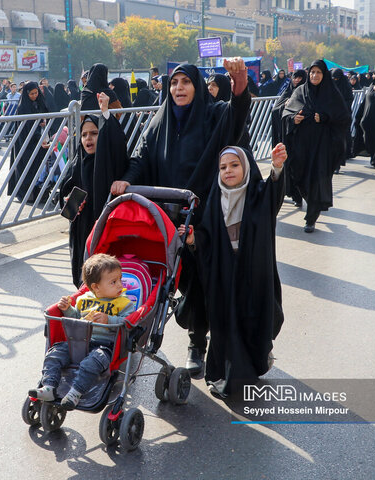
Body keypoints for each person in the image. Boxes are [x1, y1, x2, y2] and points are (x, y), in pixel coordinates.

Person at [110, 59, 252, 374]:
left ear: (197, 86)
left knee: (200, 281)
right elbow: (141, 157)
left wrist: (239, 80)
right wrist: (125, 180)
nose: (178, 88)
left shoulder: (212, 115)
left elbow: (237, 113)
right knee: (166, 280)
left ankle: (196, 343)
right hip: (164, 217)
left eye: (185, 82)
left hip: (202, 216)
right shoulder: (158, 122)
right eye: (174, 83)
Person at [179, 144, 287, 397]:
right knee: (225, 319)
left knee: (252, 315)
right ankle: (224, 373)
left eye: (235, 165)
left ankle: (257, 361)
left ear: (246, 167)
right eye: (223, 167)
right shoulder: (213, 198)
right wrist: (194, 240)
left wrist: (278, 167)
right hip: (224, 271)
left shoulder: (258, 193)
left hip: (253, 269)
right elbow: (206, 235)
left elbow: (274, 194)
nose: (228, 171)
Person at [29, 253, 135, 409]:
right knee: (54, 353)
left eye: (120, 279)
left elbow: (128, 323)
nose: (120, 285)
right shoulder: (83, 300)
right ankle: (49, 386)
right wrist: (67, 309)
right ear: (96, 287)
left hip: (105, 346)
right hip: (78, 342)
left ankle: (75, 393)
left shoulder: (124, 303)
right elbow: (76, 318)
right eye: (114, 282)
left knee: (91, 363)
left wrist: (110, 320)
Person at [60, 92, 129, 287]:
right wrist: (68, 202)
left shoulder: (109, 161)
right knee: (83, 277)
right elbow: (64, 190)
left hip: (105, 229)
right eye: (84, 134)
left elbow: (116, 142)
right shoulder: (78, 163)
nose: (88, 138)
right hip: (82, 229)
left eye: (94, 133)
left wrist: (106, 112)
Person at [281, 60, 350, 233]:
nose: (314, 75)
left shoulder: (332, 95)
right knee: (298, 176)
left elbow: (344, 118)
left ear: (324, 75)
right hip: (302, 146)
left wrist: (326, 118)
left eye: (318, 72)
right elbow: (286, 113)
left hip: (323, 147)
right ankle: (313, 202)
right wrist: (294, 119)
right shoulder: (300, 91)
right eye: (312, 72)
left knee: (317, 179)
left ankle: (311, 216)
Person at [9, 81, 50, 203]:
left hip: (40, 139)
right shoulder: (23, 107)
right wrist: (38, 123)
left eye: (36, 92)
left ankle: (39, 193)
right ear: (26, 94)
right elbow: (26, 126)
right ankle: (26, 194)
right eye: (31, 93)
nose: (34, 96)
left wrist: (42, 122)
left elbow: (47, 112)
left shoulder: (40, 102)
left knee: (40, 166)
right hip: (26, 142)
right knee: (27, 166)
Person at [330, 68, 354, 171]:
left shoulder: (346, 86)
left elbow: (349, 99)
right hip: (330, 117)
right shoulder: (330, 86)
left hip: (342, 118)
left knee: (339, 141)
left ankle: (338, 164)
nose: (335, 80)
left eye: (336, 78)